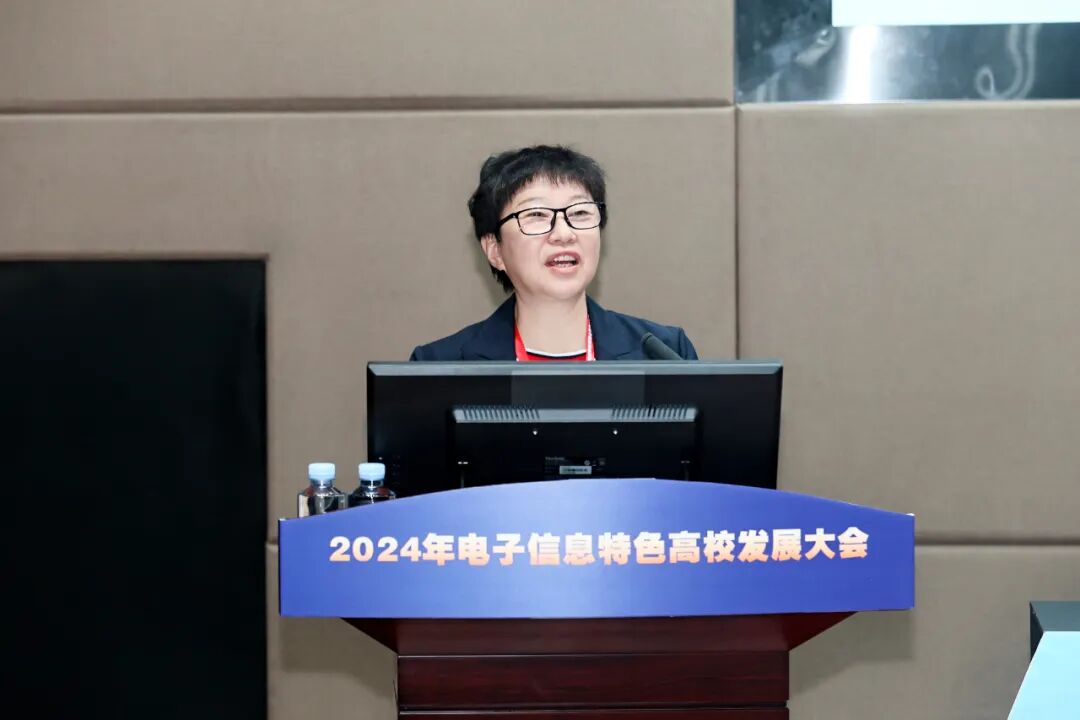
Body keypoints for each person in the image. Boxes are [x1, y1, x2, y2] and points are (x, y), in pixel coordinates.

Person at [409, 145, 698, 361]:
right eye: (536, 214)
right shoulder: (439, 366)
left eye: (580, 212)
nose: (563, 233)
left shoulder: (666, 354)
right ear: (495, 250)